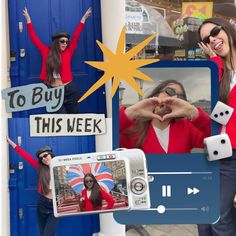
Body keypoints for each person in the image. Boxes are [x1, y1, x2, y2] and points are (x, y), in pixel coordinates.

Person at [198, 18, 236, 236]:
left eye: (214, 31)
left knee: (219, 215)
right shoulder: (221, 74)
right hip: (216, 150)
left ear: (227, 27)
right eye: (206, 39)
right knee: (203, 214)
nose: (212, 39)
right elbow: (220, 116)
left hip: (232, 153)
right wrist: (215, 61)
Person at [22, 7, 92, 113]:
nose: (65, 44)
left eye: (66, 42)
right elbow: (34, 38)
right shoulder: (46, 51)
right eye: (62, 41)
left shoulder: (69, 51)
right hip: (53, 91)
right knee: (60, 120)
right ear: (56, 42)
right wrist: (28, 20)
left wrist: (83, 19)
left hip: (69, 90)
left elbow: (76, 36)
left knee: (75, 118)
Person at [120, 80, 210, 154]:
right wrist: (131, 112)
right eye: (170, 91)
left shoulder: (187, 127)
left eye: (180, 97)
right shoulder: (132, 128)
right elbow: (109, 136)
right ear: (156, 95)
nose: (174, 97)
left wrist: (194, 113)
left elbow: (219, 138)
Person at [7, 136, 58, 236]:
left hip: (56, 205)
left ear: (51, 154)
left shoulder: (62, 166)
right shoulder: (40, 167)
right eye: (41, 158)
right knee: (44, 233)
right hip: (43, 203)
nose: (43, 158)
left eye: (45, 155)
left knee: (47, 234)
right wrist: (10, 142)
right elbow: (25, 155)